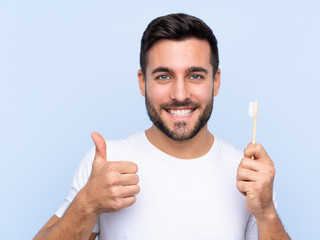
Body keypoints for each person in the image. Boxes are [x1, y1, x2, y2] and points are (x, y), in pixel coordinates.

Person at [34, 13, 291, 240]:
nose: (180, 94)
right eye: (164, 76)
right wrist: (87, 204)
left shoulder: (250, 175)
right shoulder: (105, 165)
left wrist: (266, 213)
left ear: (216, 81)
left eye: (195, 76)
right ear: (143, 82)